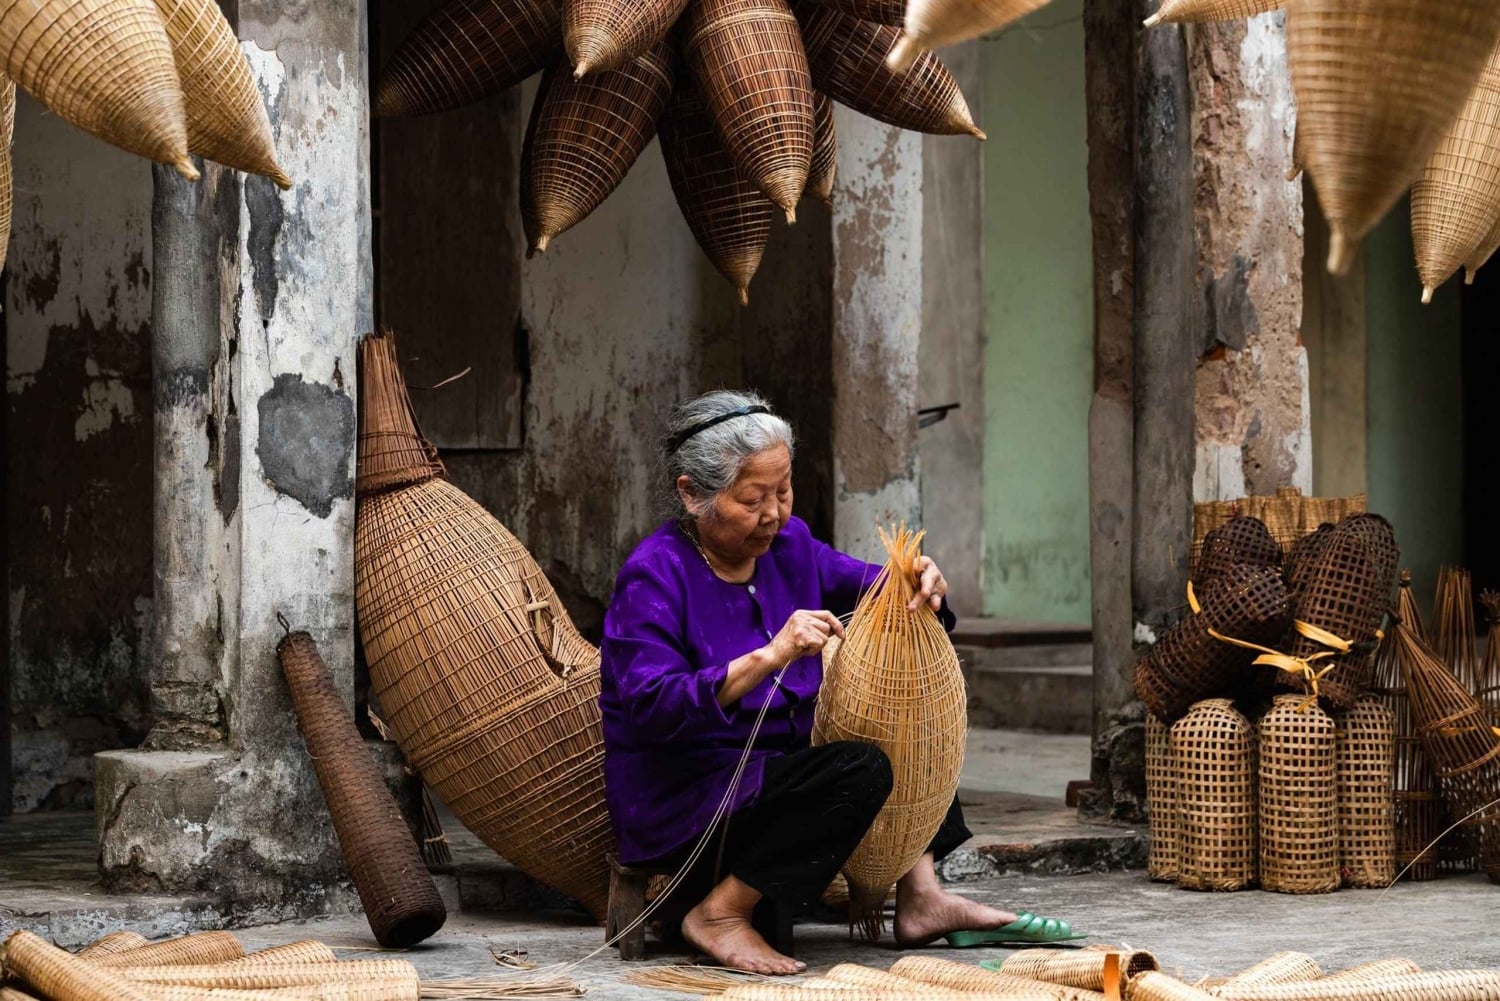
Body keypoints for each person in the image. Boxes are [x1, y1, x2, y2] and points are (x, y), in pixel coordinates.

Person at [599, 390, 1079, 974]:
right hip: (691, 798)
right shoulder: (654, 574)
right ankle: (719, 913)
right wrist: (770, 654)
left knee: (907, 726)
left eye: (783, 491)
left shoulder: (791, 545)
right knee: (858, 770)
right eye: (752, 499)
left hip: (778, 777)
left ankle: (922, 896)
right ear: (691, 493)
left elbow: (877, 588)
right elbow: (653, 707)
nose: (773, 514)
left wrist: (918, 582)